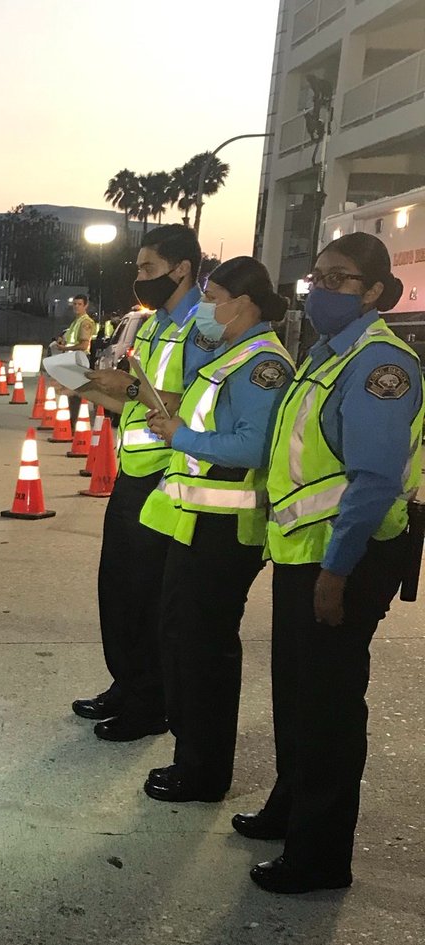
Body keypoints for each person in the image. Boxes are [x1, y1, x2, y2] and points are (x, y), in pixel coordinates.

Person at [234, 232, 423, 894]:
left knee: (330, 707)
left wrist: (336, 573)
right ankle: (290, 809)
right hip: (306, 552)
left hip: (347, 558)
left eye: (339, 279)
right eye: (316, 277)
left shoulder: (378, 366)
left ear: (374, 292)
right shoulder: (326, 354)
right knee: (297, 692)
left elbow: (372, 481)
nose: (320, 289)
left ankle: (319, 857)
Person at [135, 257, 293, 805]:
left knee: (203, 651)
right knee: (181, 640)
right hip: (199, 522)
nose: (205, 307)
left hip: (227, 529)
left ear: (243, 304)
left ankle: (204, 772)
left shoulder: (262, 364)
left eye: (214, 296)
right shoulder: (233, 353)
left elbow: (252, 445)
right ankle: (191, 755)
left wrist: (182, 437)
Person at [73, 225, 212, 741]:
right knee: (118, 589)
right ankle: (127, 682)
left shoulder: (205, 326)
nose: (140, 278)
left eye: (148, 268)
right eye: (138, 268)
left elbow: (197, 402)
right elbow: (135, 401)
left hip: (168, 476)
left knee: (148, 595)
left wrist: (129, 386)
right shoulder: (152, 327)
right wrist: (87, 387)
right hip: (132, 473)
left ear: (182, 269)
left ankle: (150, 702)